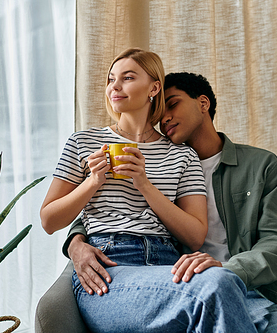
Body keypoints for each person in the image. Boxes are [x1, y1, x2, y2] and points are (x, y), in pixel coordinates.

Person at [63, 72, 277, 332]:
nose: (165, 119)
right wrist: (75, 243)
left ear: (203, 103)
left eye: (172, 104)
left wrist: (229, 269)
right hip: (187, 288)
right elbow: (109, 209)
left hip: (263, 292)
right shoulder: (159, 169)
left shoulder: (260, 165)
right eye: (160, 113)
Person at [40, 50, 209, 331]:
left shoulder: (183, 156)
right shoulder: (84, 142)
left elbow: (195, 236)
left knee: (220, 284)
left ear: (154, 87)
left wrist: (144, 184)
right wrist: (93, 181)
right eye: (111, 79)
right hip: (110, 265)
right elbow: (49, 220)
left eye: (127, 78)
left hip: (167, 262)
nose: (114, 87)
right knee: (216, 287)